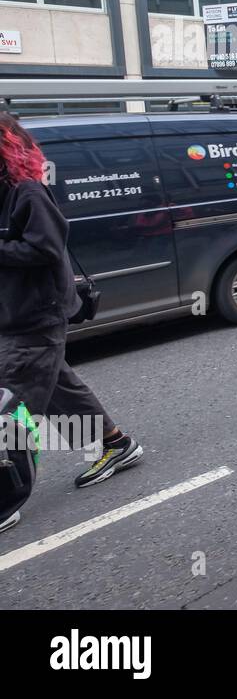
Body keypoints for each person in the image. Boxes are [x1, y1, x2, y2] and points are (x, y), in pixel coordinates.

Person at [0, 114, 144, 535]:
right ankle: (117, 445)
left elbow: (44, 248)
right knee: (58, 386)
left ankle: (5, 501)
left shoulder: (27, 192)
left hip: (35, 317)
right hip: (14, 317)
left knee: (12, 408)